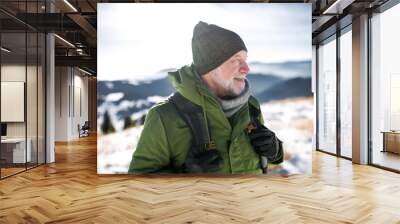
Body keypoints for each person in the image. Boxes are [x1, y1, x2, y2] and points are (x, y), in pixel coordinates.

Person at [128, 21, 283, 174]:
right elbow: (138, 185)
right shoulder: (164, 117)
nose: (246, 69)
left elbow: (263, 159)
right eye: (236, 60)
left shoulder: (251, 105)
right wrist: (184, 178)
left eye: (245, 60)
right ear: (210, 67)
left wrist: (275, 149)